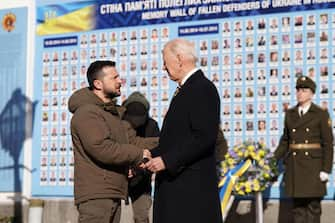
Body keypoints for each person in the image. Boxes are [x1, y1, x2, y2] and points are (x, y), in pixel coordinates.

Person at [68, 60, 158, 223]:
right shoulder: (87, 113)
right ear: (98, 84)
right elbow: (101, 148)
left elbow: (132, 141)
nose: (120, 81)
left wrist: (168, 140)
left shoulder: (111, 113)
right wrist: (138, 155)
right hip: (97, 196)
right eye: (114, 77)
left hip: (112, 192)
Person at [144, 39, 222, 223]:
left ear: (179, 59)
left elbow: (204, 137)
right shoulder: (186, 89)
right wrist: (150, 155)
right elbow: (178, 139)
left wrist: (167, 160)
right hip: (176, 188)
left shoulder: (201, 88)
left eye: (165, 61)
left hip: (191, 193)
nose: (163, 67)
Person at [274, 76, 333, 223]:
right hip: (295, 167)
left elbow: (328, 143)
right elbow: (285, 141)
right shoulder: (290, 113)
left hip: (314, 167)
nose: (300, 93)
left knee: (313, 208)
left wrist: (326, 169)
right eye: (298, 90)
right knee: (298, 209)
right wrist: (272, 158)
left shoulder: (320, 114)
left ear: (312, 93)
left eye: (304, 90)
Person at [122, 92, 160, 223]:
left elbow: (155, 151)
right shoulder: (118, 124)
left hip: (142, 179)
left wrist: (140, 168)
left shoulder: (152, 126)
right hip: (118, 177)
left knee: (141, 216)